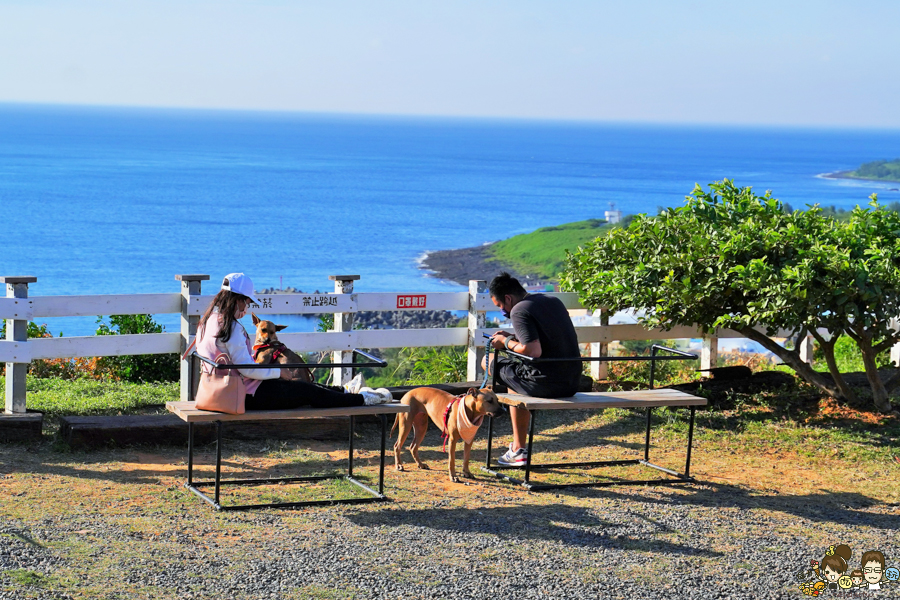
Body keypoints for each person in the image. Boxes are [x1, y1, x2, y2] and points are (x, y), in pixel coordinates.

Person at [196, 273, 391, 410]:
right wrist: (278, 371)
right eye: (247, 302)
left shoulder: (207, 321)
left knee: (303, 389)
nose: (246, 308)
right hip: (246, 394)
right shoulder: (231, 327)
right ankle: (362, 400)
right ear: (237, 298)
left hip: (223, 389)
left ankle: (345, 391)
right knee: (306, 391)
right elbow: (247, 369)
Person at [482, 272, 581, 466]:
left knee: (488, 361)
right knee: (513, 375)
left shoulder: (519, 310)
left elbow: (533, 351)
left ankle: (518, 449)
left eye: (500, 306)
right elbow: (546, 339)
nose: (502, 311)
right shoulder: (553, 302)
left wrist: (505, 341)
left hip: (545, 383)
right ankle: (517, 448)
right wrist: (512, 337)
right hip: (572, 382)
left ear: (508, 298)